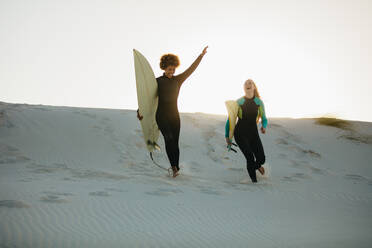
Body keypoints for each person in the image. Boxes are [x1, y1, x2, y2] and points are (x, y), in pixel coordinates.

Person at [138, 46, 208, 177]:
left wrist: (201, 56)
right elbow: (147, 99)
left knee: (175, 142)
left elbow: (191, 70)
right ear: (164, 68)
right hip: (162, 115)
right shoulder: (157, 82)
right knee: (168, 138)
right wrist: (139, 111)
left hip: (175, 116)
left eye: (173, 69)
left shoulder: (178, 80)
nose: (172, 71)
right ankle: (173, 167)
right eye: (169, 69)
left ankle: (176, 167)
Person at [225, 79, 267, 183]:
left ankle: (257, 166)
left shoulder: (259, 102)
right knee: (249, 157)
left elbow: (264, 118)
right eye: (245, 84)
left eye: (250, 83)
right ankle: (254, 182)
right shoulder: (239, 102)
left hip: (253, 133)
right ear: (244, 88)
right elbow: (230, 120)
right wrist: (227, 136)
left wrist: (264, 126)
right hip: (240, 133)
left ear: (254, 87)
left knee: (261, 159)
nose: (247, 85)